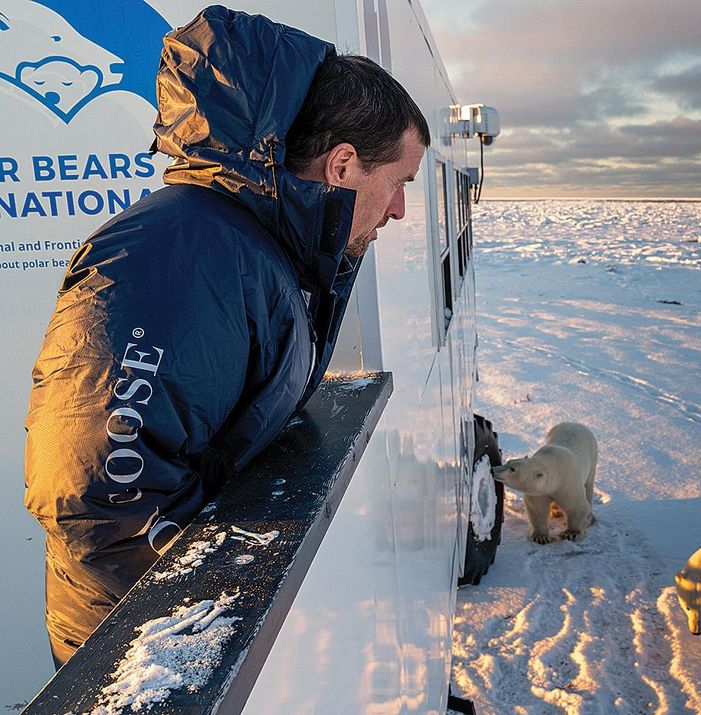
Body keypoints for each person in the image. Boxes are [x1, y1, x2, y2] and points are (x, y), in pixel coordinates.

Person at [23, 6, 430, 666]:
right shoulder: (180, 258)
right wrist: (196, 635)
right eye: (399, 183)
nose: (401, 209)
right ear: (344, 164)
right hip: (144, 660)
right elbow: (95, 491)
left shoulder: (261, 249)